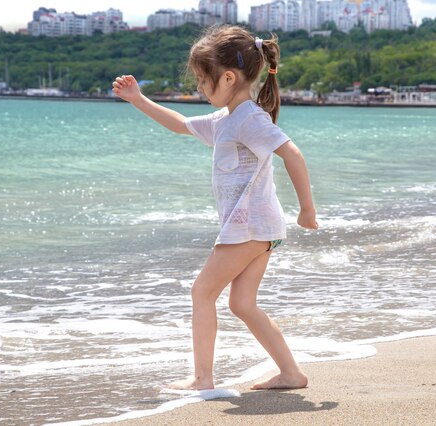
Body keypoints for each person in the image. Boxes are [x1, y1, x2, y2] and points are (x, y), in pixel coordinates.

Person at [111, 25, 318, 391]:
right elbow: (181, 125)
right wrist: (138, 100)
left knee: (202, 292)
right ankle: (292, 374)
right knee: (242, 304)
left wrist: (307, 211)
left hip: (250, 227)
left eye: (203, 81)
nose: (200, 89)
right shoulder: (227, 120)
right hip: (260, 227)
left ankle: (202, 378)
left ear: (227, 77)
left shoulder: (250, 119)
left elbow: (293, 154)